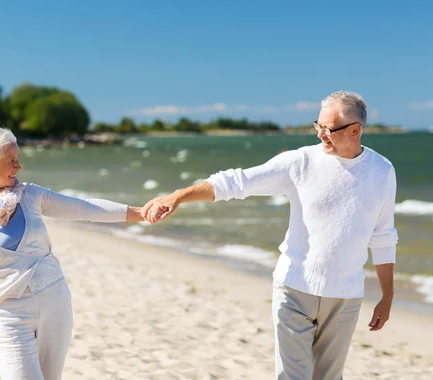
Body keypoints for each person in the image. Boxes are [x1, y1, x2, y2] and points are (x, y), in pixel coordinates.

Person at [142, 91, 398, 380]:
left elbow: (383, 236)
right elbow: (236, 182)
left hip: (345, 297)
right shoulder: (299, 162)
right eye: (318, 126)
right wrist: (179, 196)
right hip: (294, 289)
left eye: (329, 129)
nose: (321, 135)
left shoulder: (382, 171)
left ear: (355, 130)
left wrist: (387, 295)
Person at [0, 126, 145, 379]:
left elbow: (86, 209)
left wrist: (141, 213)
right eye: (11, 161)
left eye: (18, 159)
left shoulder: (30, 195)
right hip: (8, 316)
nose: (18, 167)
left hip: (55, 304)